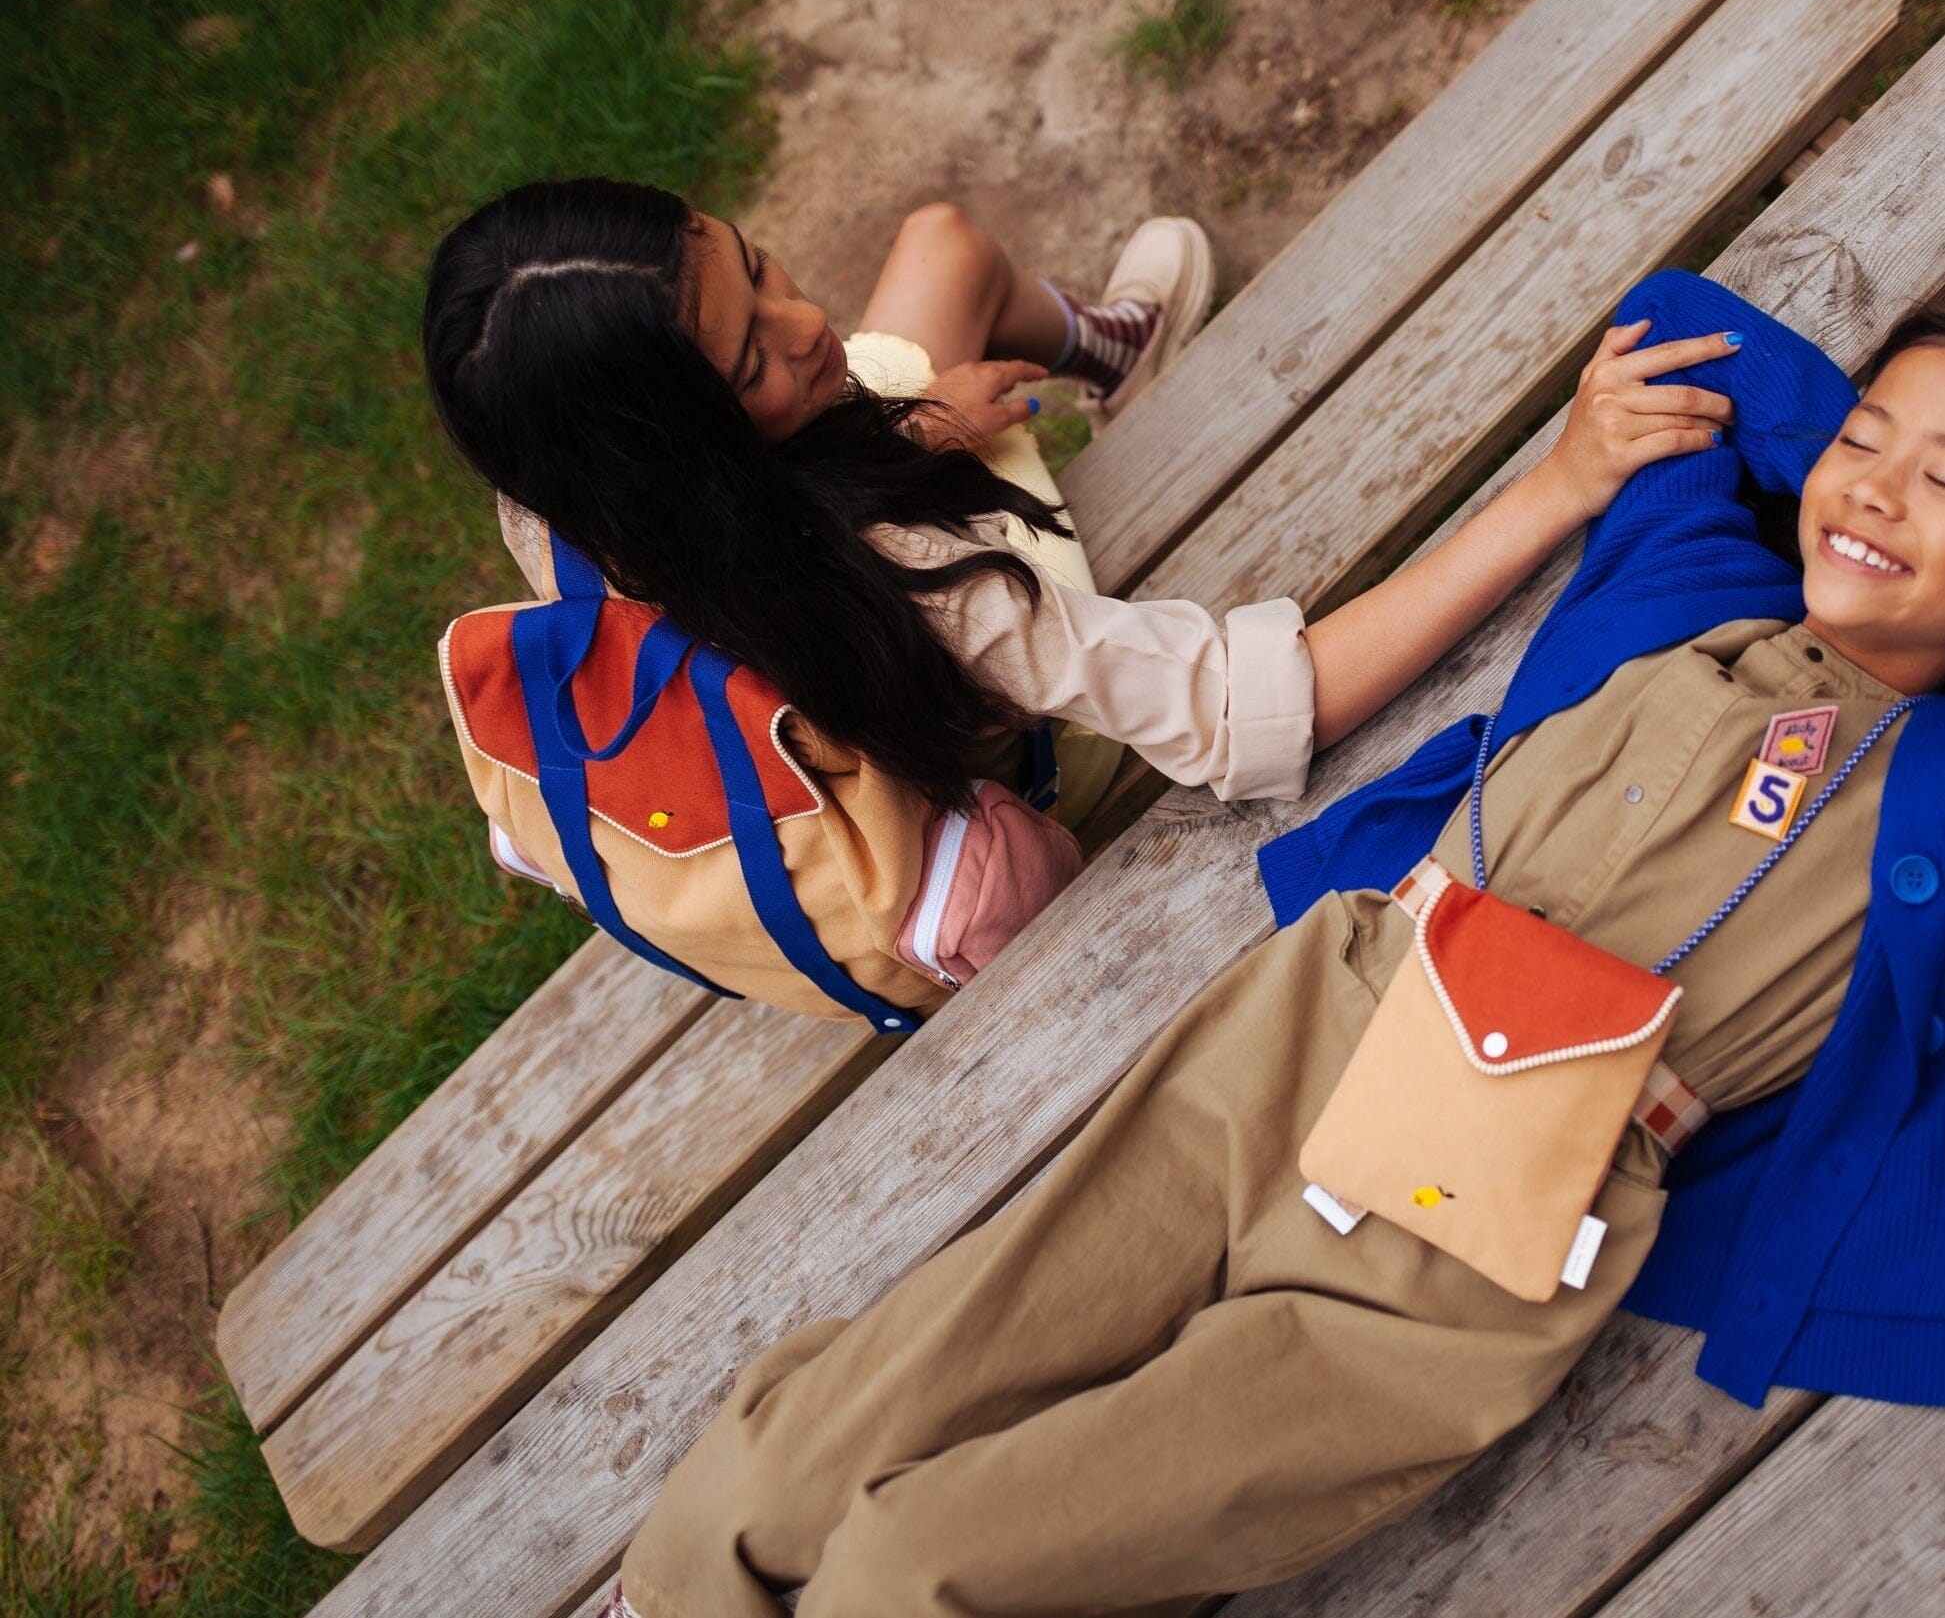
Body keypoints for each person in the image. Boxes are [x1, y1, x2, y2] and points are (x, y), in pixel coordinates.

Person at [611, 272, 1945, 1617]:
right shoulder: (1700, 576)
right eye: (1859, 442)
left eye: (1942, 482)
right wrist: (1867, 453)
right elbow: (1679, 318)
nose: (1875, 492)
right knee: (815, 1449)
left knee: (921, 1567)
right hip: (1319, 1017)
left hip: (1498, 1196)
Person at [424, 177, 1733, 882]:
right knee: (950, 264)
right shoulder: (922, 588)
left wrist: (910, 419)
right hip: (1021, 767)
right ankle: (1118, 353)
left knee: (940, 244)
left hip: (786, 623)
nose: (806, 324)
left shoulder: (557, 495)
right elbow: (1250, 708)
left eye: (756, 266)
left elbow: (754, 501)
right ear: (687, 451)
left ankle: (1116, 351)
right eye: (751, 365)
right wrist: (1560, 482)